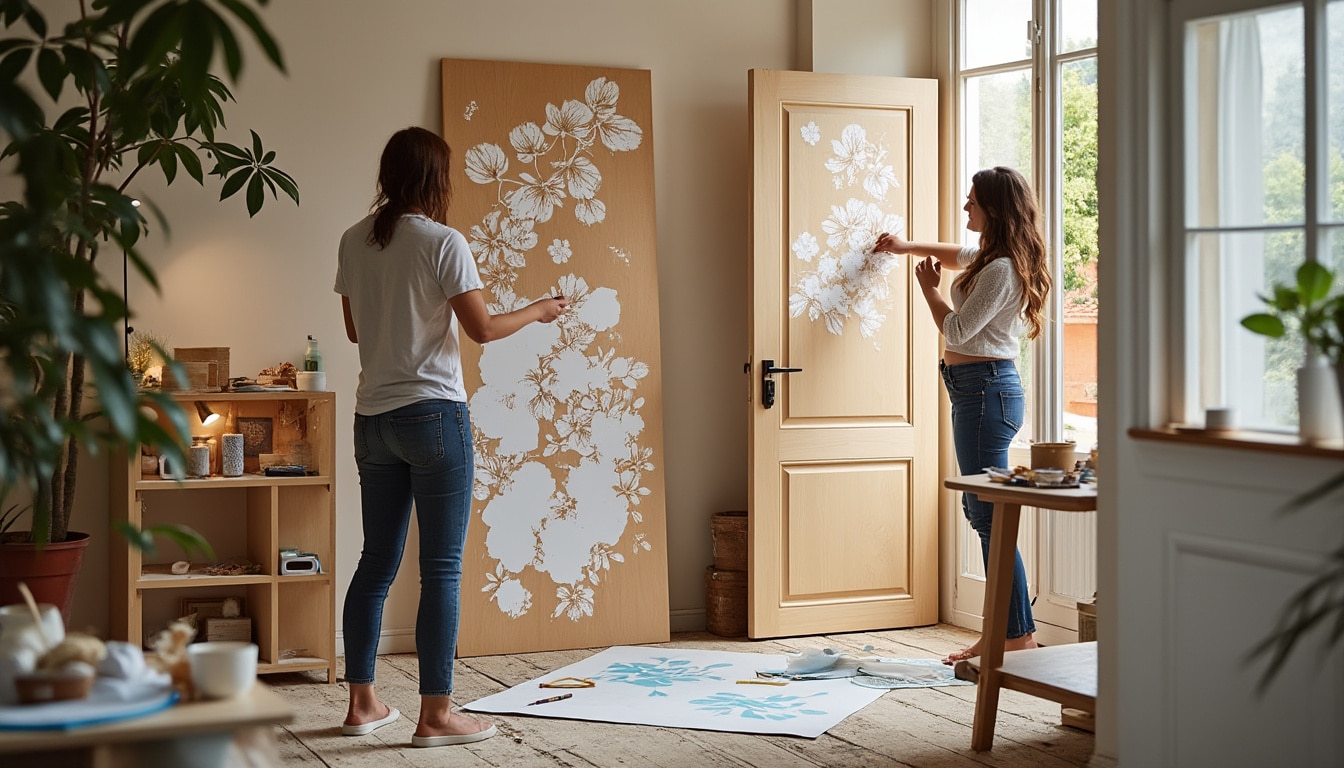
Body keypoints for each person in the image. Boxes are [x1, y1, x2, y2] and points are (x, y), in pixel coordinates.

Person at [334, 126, 568, 747]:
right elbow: (483, 329)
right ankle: (436, 717)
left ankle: (362, 706)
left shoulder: (353, 241)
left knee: (376, 561)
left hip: (373, 421)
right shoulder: (443, 242)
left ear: (387, 176)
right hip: (434, 417)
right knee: (439, 568)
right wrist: (540, 310)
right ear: (436, 180)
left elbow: (357, 332)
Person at [874, 166, 1051, 665]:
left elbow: (958, 332)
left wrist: (927, 288)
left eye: (972, 201)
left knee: (989, 516)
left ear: (994, 208)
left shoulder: (1001, 270)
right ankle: (1012, 632)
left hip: (985, 392)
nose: (966, 208)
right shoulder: (992, 258)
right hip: (975, 391)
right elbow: (958, 255)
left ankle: (1014, 635)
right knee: (984, 512)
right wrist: (908, 247)